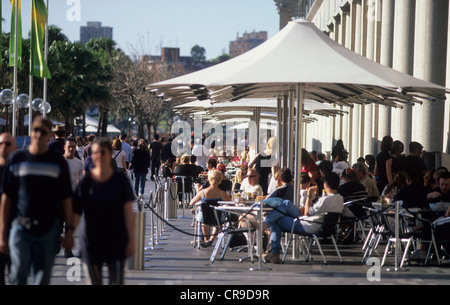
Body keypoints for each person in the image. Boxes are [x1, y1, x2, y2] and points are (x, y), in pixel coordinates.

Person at [0, 116, 74, 285]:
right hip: (20, 227)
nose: (38, 135)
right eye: (36, 130)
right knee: (17, 274)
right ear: (31, 132)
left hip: (48, 230)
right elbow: (7, 197)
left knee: (41, 278)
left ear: (50, 136)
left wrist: (69, 230)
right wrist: (2, 232)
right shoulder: (17, 159)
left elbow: (66, 198)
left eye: (43, 132)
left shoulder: (57, 162)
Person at [73, 138, 135, 285]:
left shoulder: (120, 180)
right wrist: (69, 233)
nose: (99, 156)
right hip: (91, 242)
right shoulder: (86, 181)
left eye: (102, 152)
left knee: (117, 282)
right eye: (95, 153)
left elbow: (128, 212)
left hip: (117, 240)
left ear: (109, 153)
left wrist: (132, 240)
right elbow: (76, 211)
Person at [264, 172, 344, 263]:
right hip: (318, 224)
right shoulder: (340, 198)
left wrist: (309, 195)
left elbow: (307, 212)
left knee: (276, 220)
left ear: (325, 184)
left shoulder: (326, 199)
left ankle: (273, 247)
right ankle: (273, 249)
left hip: (308, 225)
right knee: (286, 203)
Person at [189, 169, 231, 247]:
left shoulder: (203, 192)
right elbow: (231, 204)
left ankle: (206, 239)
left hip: (205, 217)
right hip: (218, 218)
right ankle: (211, 239)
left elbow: (191, 203)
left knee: (204, 221)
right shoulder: (222, 193)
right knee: (217, 224)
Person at [63, 137, 84, 258]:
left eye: (73, 146)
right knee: (57, 223)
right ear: (64, 147)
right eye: (69, 146)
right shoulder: (59, 161)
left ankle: (68, 249)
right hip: (58, 197)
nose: (71, 149)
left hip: (72, 196)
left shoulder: (79, 163)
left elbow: (80, 181)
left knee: (69, 224)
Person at [0, 133, 16, 285]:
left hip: (16, 229)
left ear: (15, 148)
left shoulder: (19, 172)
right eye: (1, 144)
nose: (3, 147)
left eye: (7, 144)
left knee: (15, 274)